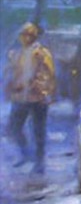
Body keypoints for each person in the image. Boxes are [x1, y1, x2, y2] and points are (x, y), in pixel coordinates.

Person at [4, 22, 56, 174]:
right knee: (14, 127)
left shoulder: (42, 53)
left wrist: (41, 87)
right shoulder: (16, 54)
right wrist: (11, 85)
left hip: (37, 97)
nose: (25, 37)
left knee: (38, 131)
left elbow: (49, 74)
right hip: (20, 96)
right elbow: (10, 73)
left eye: (29, 34)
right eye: (23, 34)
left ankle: (39, 162)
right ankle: (25, 153)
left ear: (34, 36)